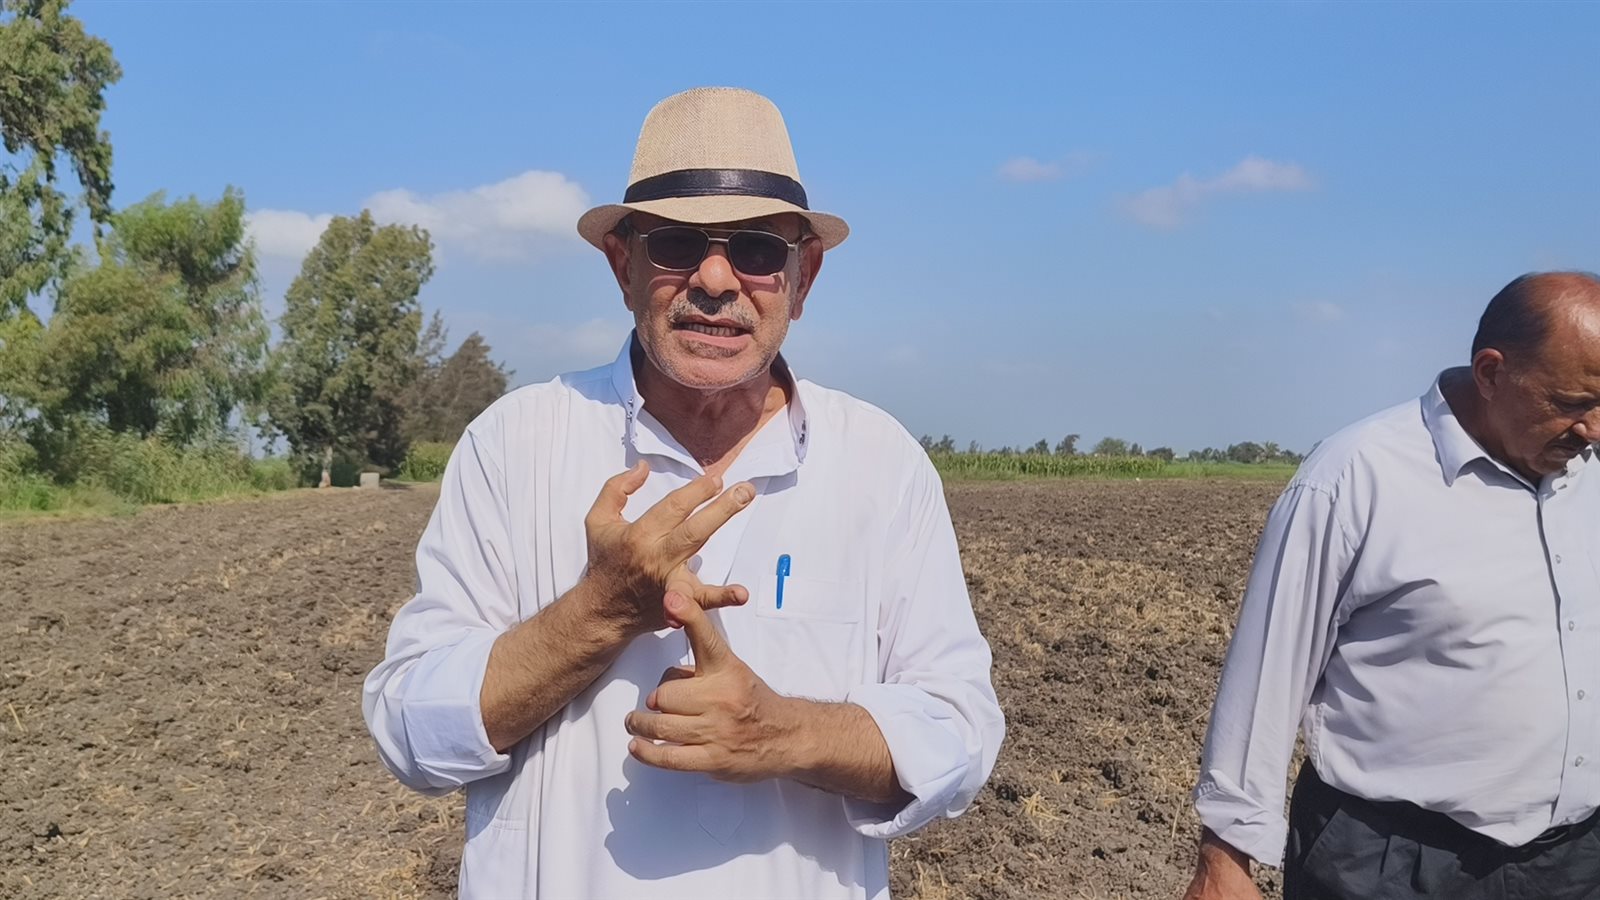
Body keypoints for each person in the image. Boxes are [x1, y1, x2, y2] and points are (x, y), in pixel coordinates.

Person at [362, 87, 1004, 900]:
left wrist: (784, 732)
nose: (715, 279)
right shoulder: (515, 443)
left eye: (757, 249)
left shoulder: (882, 464)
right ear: (622, 265)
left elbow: (958, 735)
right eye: (676, 244)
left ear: (803, 276)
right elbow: (410, 732)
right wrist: (597, 614)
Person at [1183, 271, 1600, 900]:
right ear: (1491, 373)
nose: (1592, 428)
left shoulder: (1591, 476)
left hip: (1574, 862)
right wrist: (1226, 860)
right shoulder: (1355, 476)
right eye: (1571, 402)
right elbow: (1267, 673)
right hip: (1390, 864)